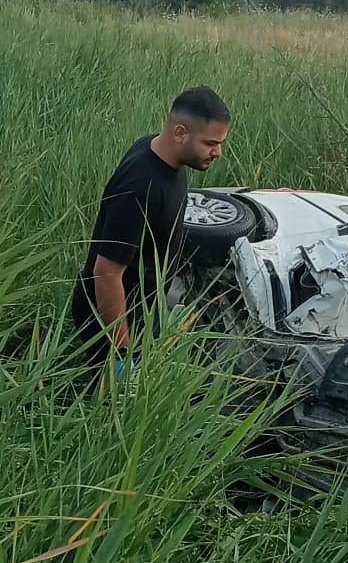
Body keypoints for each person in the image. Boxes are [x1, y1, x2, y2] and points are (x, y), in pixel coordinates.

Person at [72, 86, 231, 376]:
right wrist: (121, 354)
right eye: (210, 143)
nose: (217, 152)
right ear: (180, 133)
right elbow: (106, 273)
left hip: (143, 307)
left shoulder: (159, 153)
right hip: (111, 321)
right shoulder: (140, 185)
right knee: (116, 408)